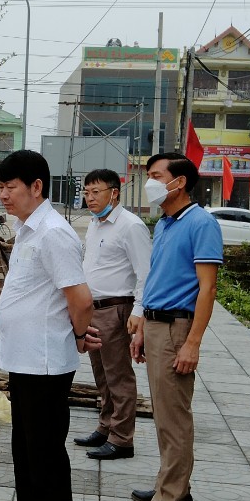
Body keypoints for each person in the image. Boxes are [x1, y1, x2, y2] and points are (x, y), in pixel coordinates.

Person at [0, 149, 97, 501]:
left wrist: (77, 333)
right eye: (0, 187)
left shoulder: (53, 233)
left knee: (47, 457)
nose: (4, 195)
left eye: (11, 187)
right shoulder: (28, 230)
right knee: (25, 452)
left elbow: (81, 299)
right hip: (26, 360)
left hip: (46, 364)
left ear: (37, 187)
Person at [125, 152, 222, 501]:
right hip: (156, 324)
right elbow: (158, 279)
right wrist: (143, 329)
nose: (148, 181)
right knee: (165, 416)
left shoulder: (201, 223)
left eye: (154, 175)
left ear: (178, 182)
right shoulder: (166, 222)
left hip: (176, 328)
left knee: (174, 418)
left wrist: (192, 342)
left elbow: (207, 288)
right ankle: (174, 487)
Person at [75, 169, 151, 461]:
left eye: (96, 192)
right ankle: (106, 427)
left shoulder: (130, 226)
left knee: (118, 375)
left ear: (114, 193)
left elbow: (146, 272)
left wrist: (139, 311)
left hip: (116, 309)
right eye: (86, 192)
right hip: (93, 309)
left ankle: (122, 439)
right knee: (101, 374)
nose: (90, 198)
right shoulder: (95, 224)